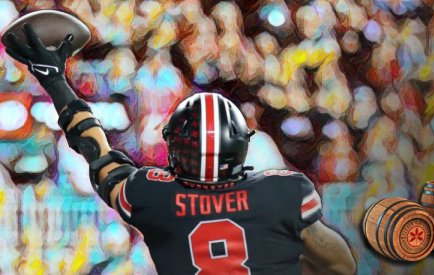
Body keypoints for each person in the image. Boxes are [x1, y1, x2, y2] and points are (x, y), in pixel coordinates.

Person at [5, 23, 356, 275]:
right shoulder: (284, 191)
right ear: (240, 145)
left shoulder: (154, 196)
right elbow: (342, 265)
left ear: (173, 147)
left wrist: (53, 79)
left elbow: (93, 145)